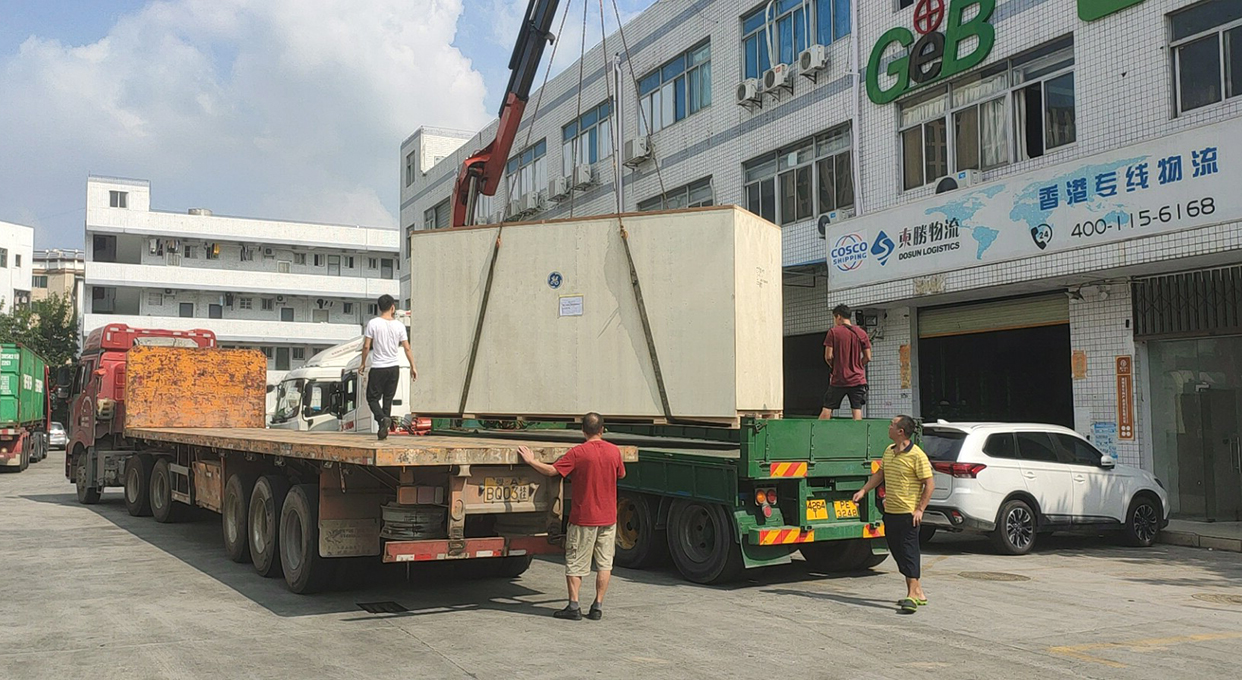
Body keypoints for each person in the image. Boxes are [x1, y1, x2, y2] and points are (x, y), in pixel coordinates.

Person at [518, 412, 626, 621]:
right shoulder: (614, 452)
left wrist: (532, 461)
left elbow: (551, 471)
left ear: (583, 430)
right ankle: (597, 606)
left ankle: (574, 606)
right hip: (608, 518)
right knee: (605, 564)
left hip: (584, 518)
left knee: (576, 563)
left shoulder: (578, 453)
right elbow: (621, 474)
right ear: (602, 430)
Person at [852, 415, 934, 613]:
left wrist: (920, 509)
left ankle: (912, 596)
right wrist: (864, 490)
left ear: (901, 432)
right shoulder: (889, 452)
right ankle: (919, 592)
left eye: (892, 425)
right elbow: (880, 474)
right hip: (891, 512)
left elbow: (929, 484)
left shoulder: (917, 455)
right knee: (898, 551)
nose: (888, 427)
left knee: (909, 552)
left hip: (908, 513)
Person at [360, 294, 417, 440]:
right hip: (394, 368)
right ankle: (383, 429)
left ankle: (381, 419)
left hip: (378, 367)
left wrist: (362, 363)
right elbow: (407, 348)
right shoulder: (400, 326)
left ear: (379, 307)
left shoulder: (373, 323)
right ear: (393, 307)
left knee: (372, 398)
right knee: (387, 399)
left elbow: (366, 346)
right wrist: (413, 366)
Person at [820, 304, 872, 420]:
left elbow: (828, 356)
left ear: (838, 317)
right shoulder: (861, 333)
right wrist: (857, 366)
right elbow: (868, 357)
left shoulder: (833, 332)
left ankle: (819, 433)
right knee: (857, 408)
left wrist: (835, 366)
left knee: (827, 407)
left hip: (839, 378)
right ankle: (858, 434)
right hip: (858, 379)